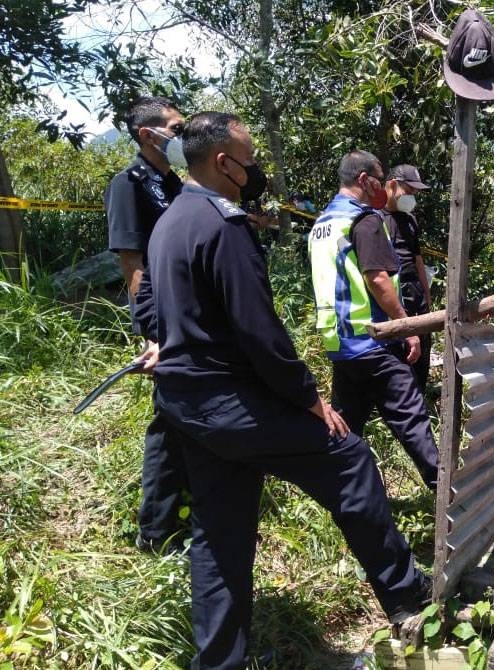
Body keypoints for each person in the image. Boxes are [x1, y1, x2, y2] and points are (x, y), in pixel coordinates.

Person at [134, 112, 430, 669]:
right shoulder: (225, 227)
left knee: (218, 537)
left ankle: (219, 662)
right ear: (224, 163)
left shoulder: (171, 219)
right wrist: (311, 400)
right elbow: (261, 334)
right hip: (235, 405)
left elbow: (149, 301)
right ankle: (410, 598)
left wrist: (161, 340)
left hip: (187, 406)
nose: (256, 171)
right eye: (250, 160)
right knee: (349, 460)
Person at [308, 151, 439, 489]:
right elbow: (378, 279)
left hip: (340, 342)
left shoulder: (322, 224)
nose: (381, 187)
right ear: (365, 180)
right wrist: (406, 328)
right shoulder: (363, 219)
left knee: (346, 424)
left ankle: (341, 491)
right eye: (379, 179)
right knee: (412, 419)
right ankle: (449, 494)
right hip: (374, 339)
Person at [104, 95, 187, 554]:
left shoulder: (174, 182)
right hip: (165, 319)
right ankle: (155, 532)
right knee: (169, 420)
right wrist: (153, 329)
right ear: (147, 135)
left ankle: (187, 509)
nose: (180, 135)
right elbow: (131, 263)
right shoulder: (128, 183)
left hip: (191, 314)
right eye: (174, 129)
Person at [383, 164, 433, 391]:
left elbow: (418, 260)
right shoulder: (374, 219)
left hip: (416, 294)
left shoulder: (410, 220)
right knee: (401, 354)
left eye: (415, 193)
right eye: (409, 191)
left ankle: (419, 397)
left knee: (422, 353)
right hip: (393, 293)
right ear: (392, 184)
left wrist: (427, 297)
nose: (412, 197)